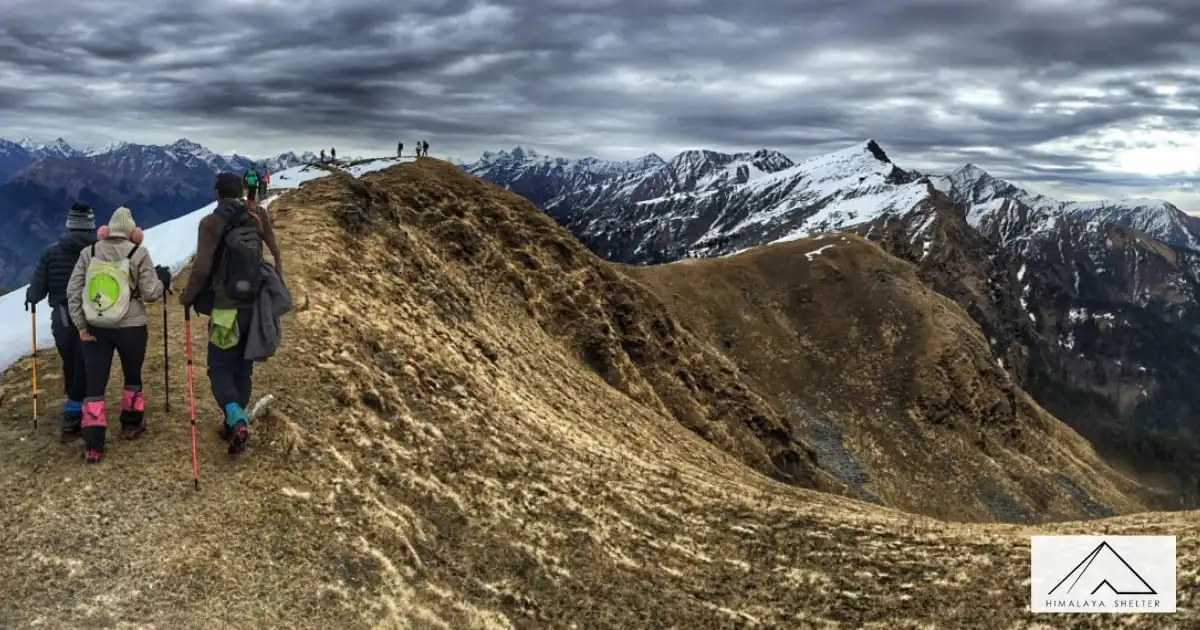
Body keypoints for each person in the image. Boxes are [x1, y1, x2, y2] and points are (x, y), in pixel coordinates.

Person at [179, 173, 285, 455]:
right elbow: (274, 252)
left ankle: (236, 418)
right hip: (254, 303)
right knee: (243, 367)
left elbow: (201, 269)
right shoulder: (258, 214)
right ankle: (232, 424)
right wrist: (277, 286)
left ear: (217, 193)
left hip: (225, 308)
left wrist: (188, 298)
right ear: (241, 191)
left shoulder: (211, 223)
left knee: (220, 367)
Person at [66, 206, 170, 464]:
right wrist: (163, 279)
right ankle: (131, 423)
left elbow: (73, 290)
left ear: (107, 230)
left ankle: (93, 443)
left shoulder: (88, 252)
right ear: (134, 232)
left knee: (95, 382)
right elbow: (150, 294)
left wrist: (81, 326)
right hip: (132, 328)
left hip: (95, 327)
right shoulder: (139, 252)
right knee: (132, 375)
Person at [24, 203, 98, 442]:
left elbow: (38, 289)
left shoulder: (50, 252)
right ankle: (84, 408)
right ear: (90, 226)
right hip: (93, 315)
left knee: (70, 359)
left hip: (63, 317)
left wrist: (31, 298)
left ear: (69, 225)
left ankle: (73, 412)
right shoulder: (98, 251)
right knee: (88, 360)